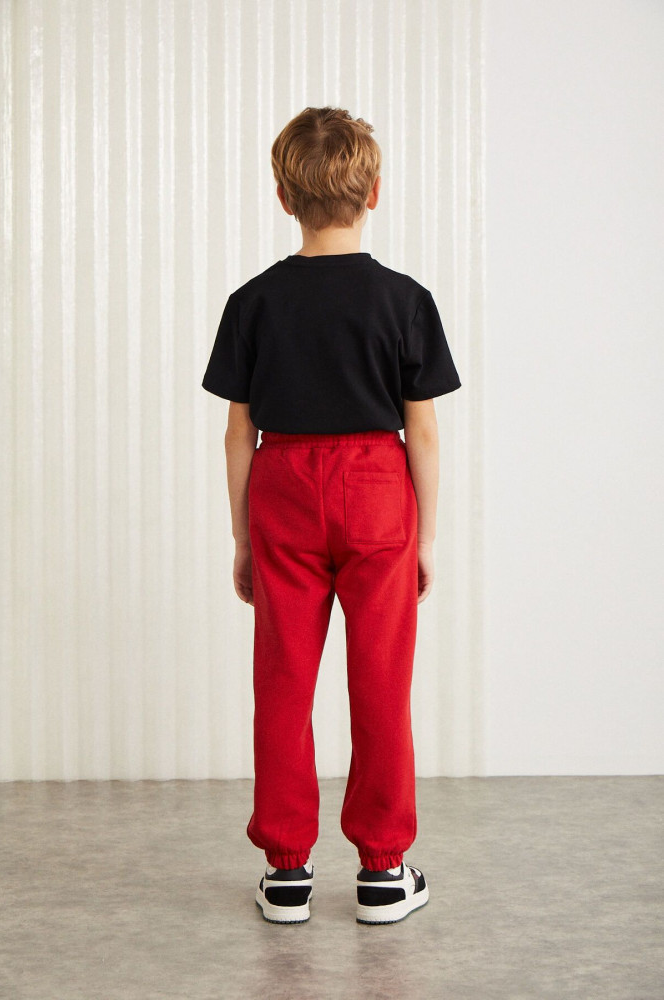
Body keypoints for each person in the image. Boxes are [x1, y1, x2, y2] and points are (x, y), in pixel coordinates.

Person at [201, 106, 462, 925]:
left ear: (283, 197)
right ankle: (383, 871)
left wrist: (243, 536)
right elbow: (423, 430)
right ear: (374, 192)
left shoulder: (253, 301)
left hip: (282, 483)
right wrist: (426, 536)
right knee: (381, 679)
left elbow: (238, 430)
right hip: (378, 485)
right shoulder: (405, 300)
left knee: (283, 679)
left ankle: (287, 871)